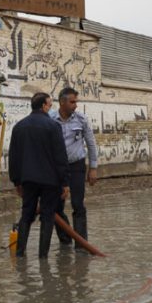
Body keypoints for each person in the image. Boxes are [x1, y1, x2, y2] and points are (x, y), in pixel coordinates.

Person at [7, 92, 69, 258]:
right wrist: (64, 182)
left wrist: (16, 181)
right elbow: (60, 157)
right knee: (47, 217)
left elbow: (14, 157)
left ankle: (19, 254)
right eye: (49, 105)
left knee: (26, 215)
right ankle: (43, 257)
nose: (50, 108)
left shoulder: (19, 127)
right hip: (50, 181)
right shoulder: (53, 126)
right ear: (43, 106)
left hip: (28, 180)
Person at [52, 87, 99, 250]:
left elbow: (91, 143)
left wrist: (93, 168)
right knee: (57, 206)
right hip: (57, 169)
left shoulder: (81, 119)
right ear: (62, 102)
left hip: (77, 166)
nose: (75, 105)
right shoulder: (50, 119)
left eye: (76, 102)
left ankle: (81, 245)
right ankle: (66, 240)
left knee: (78, 204)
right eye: (72, 102)